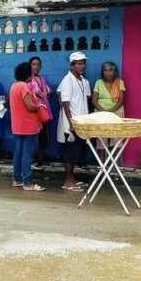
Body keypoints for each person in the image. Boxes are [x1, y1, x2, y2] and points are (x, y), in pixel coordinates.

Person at [57, 52, 91, 192]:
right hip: (72, 123)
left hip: (82, 122)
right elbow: (65, 103)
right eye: (79, 63)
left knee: (77, 151)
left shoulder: (83, 80)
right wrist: (71, 123)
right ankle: (67, 180)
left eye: (83, 63)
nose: (82, 66)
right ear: (72, 65)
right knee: (70, 152)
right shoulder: (67, 80)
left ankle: (72, 178)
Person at [10, 62, 45, 192]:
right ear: (26, 74)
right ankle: (27, 182)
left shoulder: (14, 86)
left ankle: (17, 179)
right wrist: (40, 106)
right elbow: (30, 106)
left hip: (18, 125)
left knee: (18, 153)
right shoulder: (24, 86)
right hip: (29, 126)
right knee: (27, 155)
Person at [28, 56, 52, 170]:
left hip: (44, 110)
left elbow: (47, 90)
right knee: (34, 135)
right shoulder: (28, 79)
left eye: (38, 64)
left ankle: (41, 158)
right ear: (30, 66)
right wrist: (36, 93)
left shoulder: (42, 79)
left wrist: (48, 91)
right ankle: (34, 159)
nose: (36, 66)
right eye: (34, 64)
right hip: (33, 111)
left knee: (44, 136)